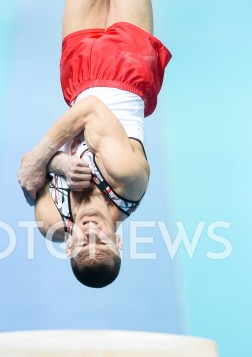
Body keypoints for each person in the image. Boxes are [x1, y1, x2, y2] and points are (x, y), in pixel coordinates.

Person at [18, 0, 171, 288]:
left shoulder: (52, 219)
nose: (89, 231)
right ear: (118, 242)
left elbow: (27, 165)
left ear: (67, 247)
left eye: (81, 243)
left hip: (78, 73)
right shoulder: (127, 182)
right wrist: (44, 159)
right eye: (100, 240)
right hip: (128, 62)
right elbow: (91, 109)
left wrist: (58, 163)